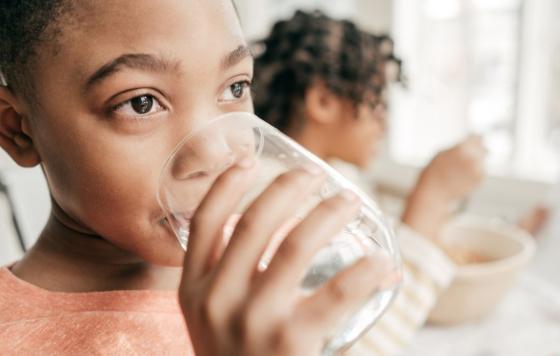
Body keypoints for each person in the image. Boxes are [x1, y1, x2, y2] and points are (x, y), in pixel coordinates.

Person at [0, 1, 398, 355]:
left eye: (236, 87)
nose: (214, 152)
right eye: (141, 103)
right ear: (18, 129)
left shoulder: (275, 257)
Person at [253, 10, 487, 355]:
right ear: (323, 101)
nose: (386, 123)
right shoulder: (278, 197)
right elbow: (364, 343)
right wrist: (432, 197)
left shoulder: (336, 176)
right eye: (378, 101)